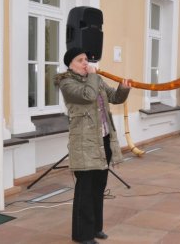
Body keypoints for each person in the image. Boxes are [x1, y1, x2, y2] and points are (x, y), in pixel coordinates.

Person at [54, 47, 131, 244]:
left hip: (103, 139)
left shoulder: (93, 79)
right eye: (80, 60)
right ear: (70, 64)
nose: (86, 63)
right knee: (85, 189)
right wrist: (93, 77)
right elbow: (87, 95)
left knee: (99, 186)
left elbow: (115, 97)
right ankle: (82, 234)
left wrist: (123, 88)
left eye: (86, 59)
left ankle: (96, 228)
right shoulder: (66, 83)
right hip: (84, 142)